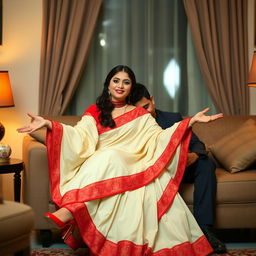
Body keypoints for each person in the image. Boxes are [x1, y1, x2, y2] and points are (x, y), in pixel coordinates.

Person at [17, 65, 223, 256]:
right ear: (108, 84)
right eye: (116, 80)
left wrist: (189, 122)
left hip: (133, 163)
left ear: (131, 87)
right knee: (107, 155)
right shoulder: (95, 111)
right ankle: (74, 208)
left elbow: (159, 138)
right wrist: (49, 124)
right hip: (103, 164)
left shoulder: (140, 115)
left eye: (126, 82)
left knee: (112, 156)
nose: (120, 85)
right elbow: (80, 136)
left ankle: (73, 209)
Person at [130, 83, 227, 254]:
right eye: (139, 111)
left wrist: (193, 156)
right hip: (155, 176)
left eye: (147, 106)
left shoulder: (172, 117)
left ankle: (205, 230)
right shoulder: (132, 128)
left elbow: (197, 144)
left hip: (181, 169)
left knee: (206, 163)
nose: (145, 113)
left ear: (152, 100)